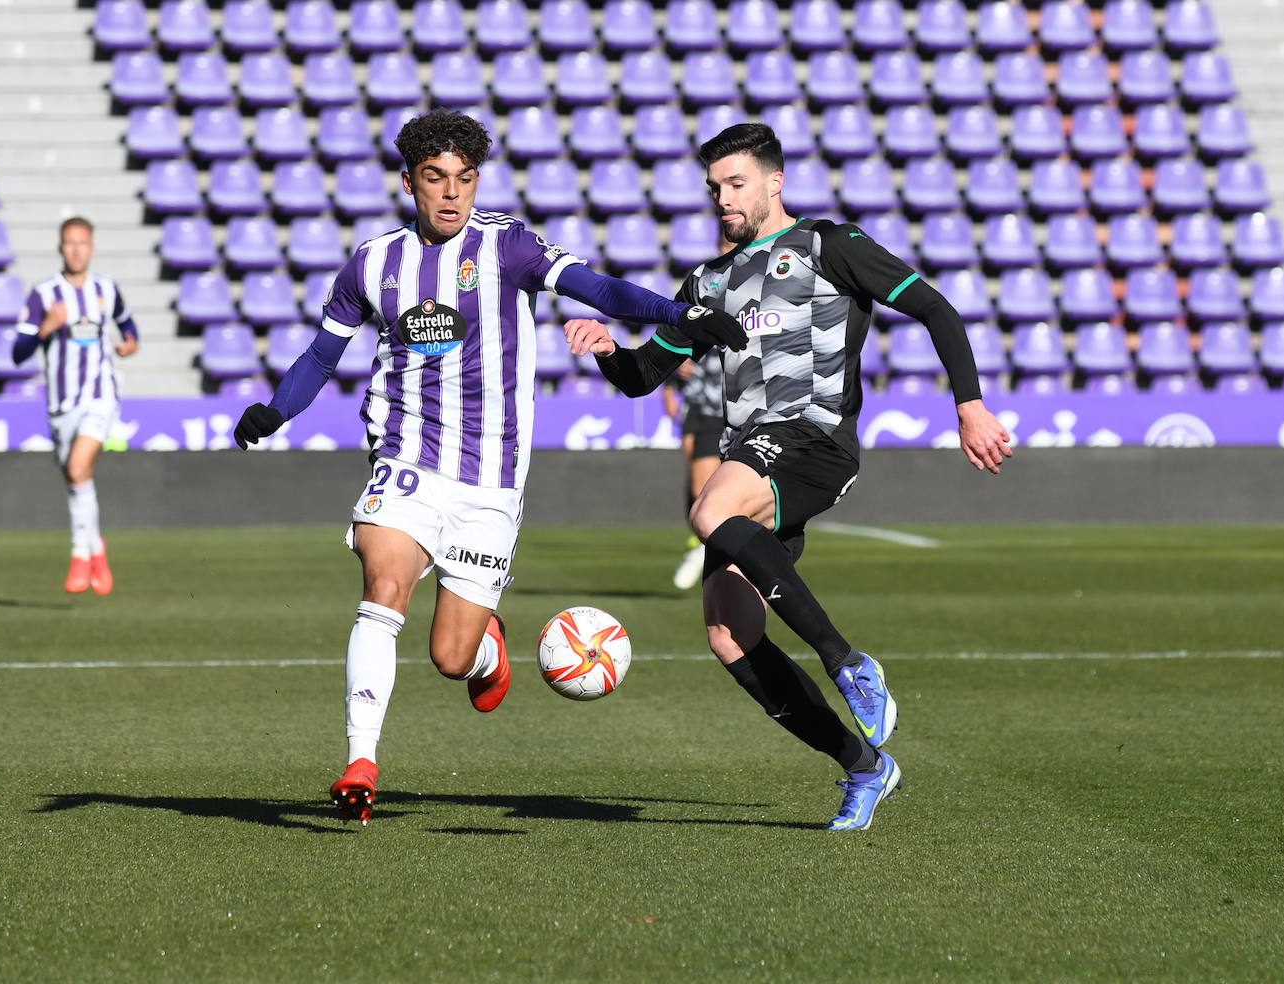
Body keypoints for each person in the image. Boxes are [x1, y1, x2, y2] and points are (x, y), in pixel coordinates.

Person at [231, 110, 745, 825]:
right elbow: (324, 354)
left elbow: (597, 288)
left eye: (465, 180)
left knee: (451, 656)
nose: (452, 195)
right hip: (405, 457)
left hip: (489, 480)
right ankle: (360, 761)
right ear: (409, 181)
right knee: (383, 584)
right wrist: (277, 410)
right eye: (436, 179)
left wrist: (680, 314)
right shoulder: (372, 264)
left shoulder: (509, 247)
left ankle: (486, 651)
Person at [566, 123, 1012, 832]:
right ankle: (865, 768)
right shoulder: (706, 284)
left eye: (735, 183)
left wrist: (970, 405)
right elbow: (645, 376)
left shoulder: (830, 246)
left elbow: (935, 307)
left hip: (815, 438)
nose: (723, 199)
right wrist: (605, 349)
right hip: (755, 458)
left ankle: (848, 662)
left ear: (774, 182)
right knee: (729, 637)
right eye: (714, 188)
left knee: (710, 511)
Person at [12, 216, 139, 595]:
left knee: (79, 466)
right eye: (70, 243)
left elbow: (128, 327)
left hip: (100, 395)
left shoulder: (106, 289)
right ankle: (96, 548)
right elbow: (18, 353)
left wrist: (128, 344)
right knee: (75, 478)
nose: (77, 250)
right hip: (61, 404)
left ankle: (79, 555)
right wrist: (46, 328)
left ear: (92, 247)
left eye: (82, 243)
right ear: (61, 247)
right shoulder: (44, 295)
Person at [665, 348, 724, 590]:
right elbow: (673, 350)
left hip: (718, 409)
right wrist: (671, 383)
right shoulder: (693, 317)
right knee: (695, 485)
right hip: (694, 407)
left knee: (704, 487)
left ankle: (707, 547)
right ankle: (709, 541)